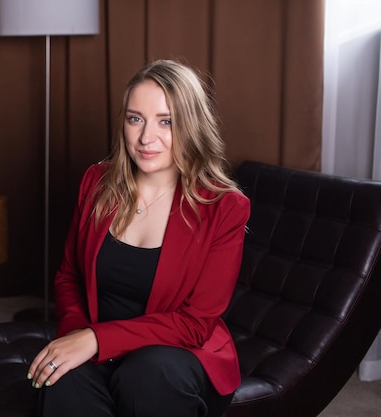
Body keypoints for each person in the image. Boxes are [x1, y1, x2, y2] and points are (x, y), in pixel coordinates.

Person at [27, 59, 251, 417]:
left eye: (166, 121)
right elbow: (69, 275)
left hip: (175, 359)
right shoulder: (97, 183)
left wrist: (96, 340)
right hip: (97, 345)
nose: (147, 138)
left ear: (190, 126)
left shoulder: (224, 207)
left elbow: (194, 324)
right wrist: (76, 340)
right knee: (61, 379)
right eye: (136, 119)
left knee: (145, 374)